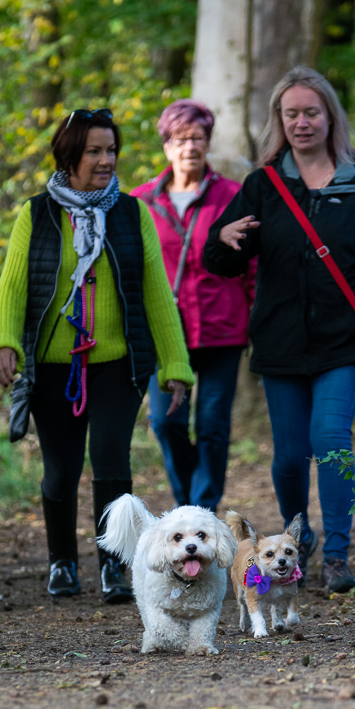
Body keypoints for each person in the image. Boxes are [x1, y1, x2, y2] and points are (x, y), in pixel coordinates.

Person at [203, 68, 355, 593]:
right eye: (291, 114)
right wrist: (225, 238)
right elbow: (221, 260)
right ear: (280, 121)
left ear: (330, 118)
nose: (301, 123)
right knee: (287, 456)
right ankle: (297, 538)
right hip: (279, 340)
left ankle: (338, 556)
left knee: (330, 440)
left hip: (342, 341)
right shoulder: (262, 186)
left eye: (311, 112)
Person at [0, 108, 194, 603]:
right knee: (60, 469)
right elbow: (13, 286)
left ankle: (114, 568)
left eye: (111, 150)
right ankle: (61, 562)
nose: (106, 160)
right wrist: (4, 342)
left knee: (110, 461)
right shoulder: (36, 213)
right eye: (94, 151)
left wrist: (175, 365)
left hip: (118, 365)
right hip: (53, 365)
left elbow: (156, 294)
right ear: (70, 156)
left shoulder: (131, 213)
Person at [130, 100, 255, 512]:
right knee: (166, 424)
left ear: (208, 144)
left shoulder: (233, 196)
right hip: (165, 335)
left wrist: (257, 316)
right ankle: (186, 506)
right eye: (181, 139)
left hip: (222, 328)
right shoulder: (140, 202)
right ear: (167, 146)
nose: (190, 147)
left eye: (198, 138)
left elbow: (251, 262)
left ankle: (204, 508)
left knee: (213, 427)